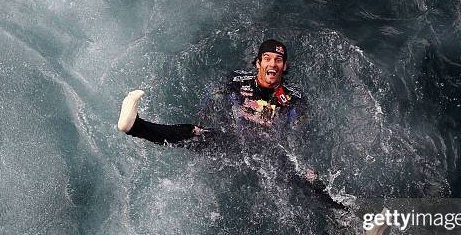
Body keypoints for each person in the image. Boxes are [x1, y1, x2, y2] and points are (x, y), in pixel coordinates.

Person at [118, 39, 321, 185]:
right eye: (267, 58)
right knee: (192, 132)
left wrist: (300, 156)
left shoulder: (294, 97)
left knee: (307, 177)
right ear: (258, 63)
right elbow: (212, 101)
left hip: (269, 153)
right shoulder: (237, 81)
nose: (272, 64)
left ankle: (343, 210)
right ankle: (134, 126)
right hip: (234, 143)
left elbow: (299, 133)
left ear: (284, 66)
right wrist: (202, 126)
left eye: (278, 60)